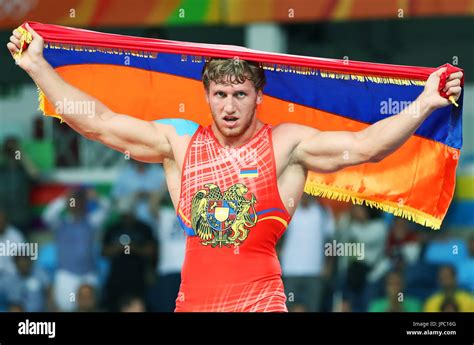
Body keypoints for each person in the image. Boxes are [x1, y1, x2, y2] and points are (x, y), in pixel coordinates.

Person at [7, 24, 463, 312]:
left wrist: (424, 101)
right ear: (205, 96)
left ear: (259, 96)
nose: (229, 106)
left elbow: (366, 146)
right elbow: (101, 124)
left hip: (260, 305)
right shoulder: (179, 144)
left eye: (240, 94)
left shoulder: (286, 144)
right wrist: (37, 66)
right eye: (220, 95)